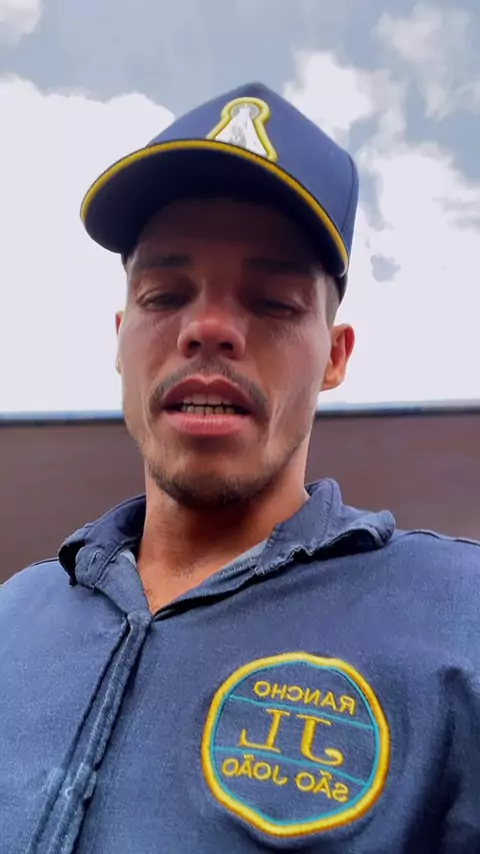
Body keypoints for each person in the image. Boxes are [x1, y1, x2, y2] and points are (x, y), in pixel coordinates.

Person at [1, 82, 479, 854]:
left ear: (336, 356)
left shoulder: (460, 618)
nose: (209, 327)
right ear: (120, 338)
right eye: (164, 294)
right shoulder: (12, 617)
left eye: (274, 302)